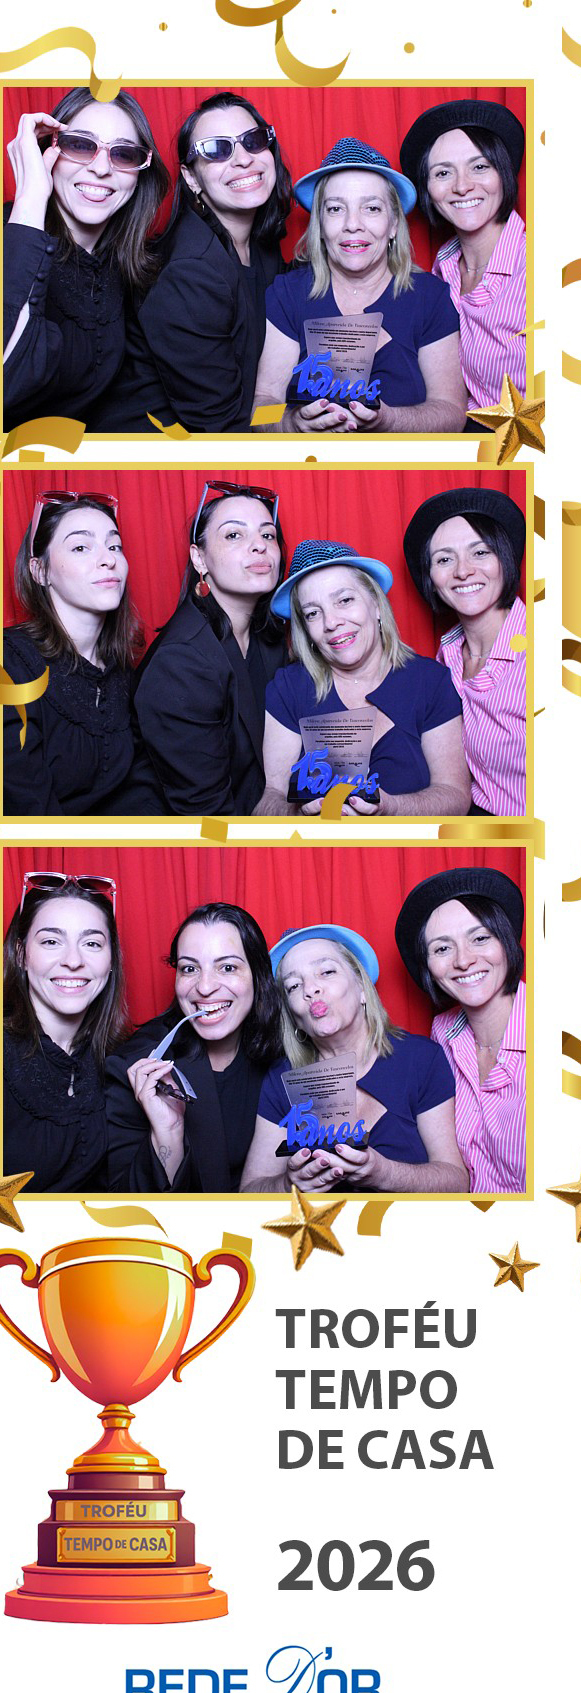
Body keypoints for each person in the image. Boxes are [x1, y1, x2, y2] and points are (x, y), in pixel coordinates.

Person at [93, 92, 292, 433]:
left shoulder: (262, 247)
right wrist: (288, 424)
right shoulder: (190, 272)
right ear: (191, 178)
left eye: (253, 141)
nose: (243, 159)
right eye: (216, 149)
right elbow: (220, 426)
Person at [253, 137, 466, 434]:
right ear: (320, 226)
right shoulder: (287, 295)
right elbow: (261, 408)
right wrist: (291, 423)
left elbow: (453, 412)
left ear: (394, 224)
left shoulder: (430, 298)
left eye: (372, 208)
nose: (353, 224)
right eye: (335, 209)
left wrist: (390, 421)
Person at [241, 925, 467, 1193]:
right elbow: (249, 1192)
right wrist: (289, 1184)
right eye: (294, 986)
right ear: (293, 1016)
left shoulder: (421, 1059)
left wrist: (384, 1173)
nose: (310, 989)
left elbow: (457, 1182)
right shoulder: (281, 1080)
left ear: (362, 986)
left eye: (326, 972)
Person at [256, 539, 471, 816]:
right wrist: (298, 814)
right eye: (313, 613)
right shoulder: (289, 688)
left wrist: (391, 808)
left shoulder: (431, 682)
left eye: (345, 600)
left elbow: (455, 795)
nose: (331, 622)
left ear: (377, 604)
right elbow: (271, 797)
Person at [4, 87, 168, 428]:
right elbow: (2, 383)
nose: (102, 168)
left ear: (141, 170)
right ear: (48, 150)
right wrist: (30, 197)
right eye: (80, 145)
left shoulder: (127, 264)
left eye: (123, 154)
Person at [132, 481, 289, 814]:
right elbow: (206, 812)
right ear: (199, 558)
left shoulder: (269, 639)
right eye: (234, 535)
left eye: (268, 534)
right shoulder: (181, 663)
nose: (259, 546)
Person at [3, 491, 161, 816]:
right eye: (80, 547)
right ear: (40, 571)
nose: (108, 559)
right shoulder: (7, 666)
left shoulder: (122, 672)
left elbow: (141, 790)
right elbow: (27, 806)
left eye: (114, 546)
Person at [105, 903, 282, 1192]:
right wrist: (168, 1134)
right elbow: (124, 1206)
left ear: (258, 974)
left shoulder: (287, 1052)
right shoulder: (134, 1067)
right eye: (189, 969)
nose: (205, 987)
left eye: (227, 967)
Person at [395, 866, 526, 1193]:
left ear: (506, 941)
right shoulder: (442, 1033)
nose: (463, 961)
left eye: (480, 938)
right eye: (442, 948)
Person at [403, 488, 526, 816]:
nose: (462, 571)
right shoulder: (448, 654)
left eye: (480, 552)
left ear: (505, 558)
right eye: (444, 559)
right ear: (430, 577)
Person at [400, 100, 526, 420]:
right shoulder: (443, 267)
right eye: (443, 173)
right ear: (428, 188)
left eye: (479, 167)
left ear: (504, 173)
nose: (462, 186)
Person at [3, 871, 128, 1192]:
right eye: (51, 941)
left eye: (92, 943)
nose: (73, 961)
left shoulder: (118, 1058)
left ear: (110, 959)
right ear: (21, 955)